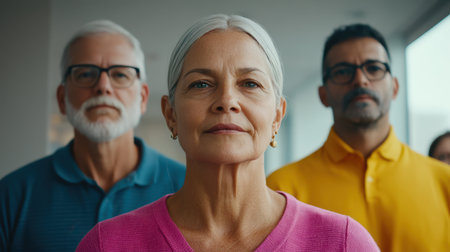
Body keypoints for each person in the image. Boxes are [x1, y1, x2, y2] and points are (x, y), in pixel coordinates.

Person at [76, 14, 379, 252]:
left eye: (250, 84)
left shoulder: (344, 243)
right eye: (201, 84)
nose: (226, 101)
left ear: (277, 116)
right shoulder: (106, 244)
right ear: (171, 115)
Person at [0, 20, 185, 252]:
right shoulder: (11, 196)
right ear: (61, 98)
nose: (103, 86)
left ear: (143, 98)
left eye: (120, 74)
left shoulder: (186, 187)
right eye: (85, 74)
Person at [267, 23, 450, 251]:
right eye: (343, 71)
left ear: (394, 87)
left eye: (373, 68)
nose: (361, 80)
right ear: (323, 95)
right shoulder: (280, 188)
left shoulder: (445, 182)